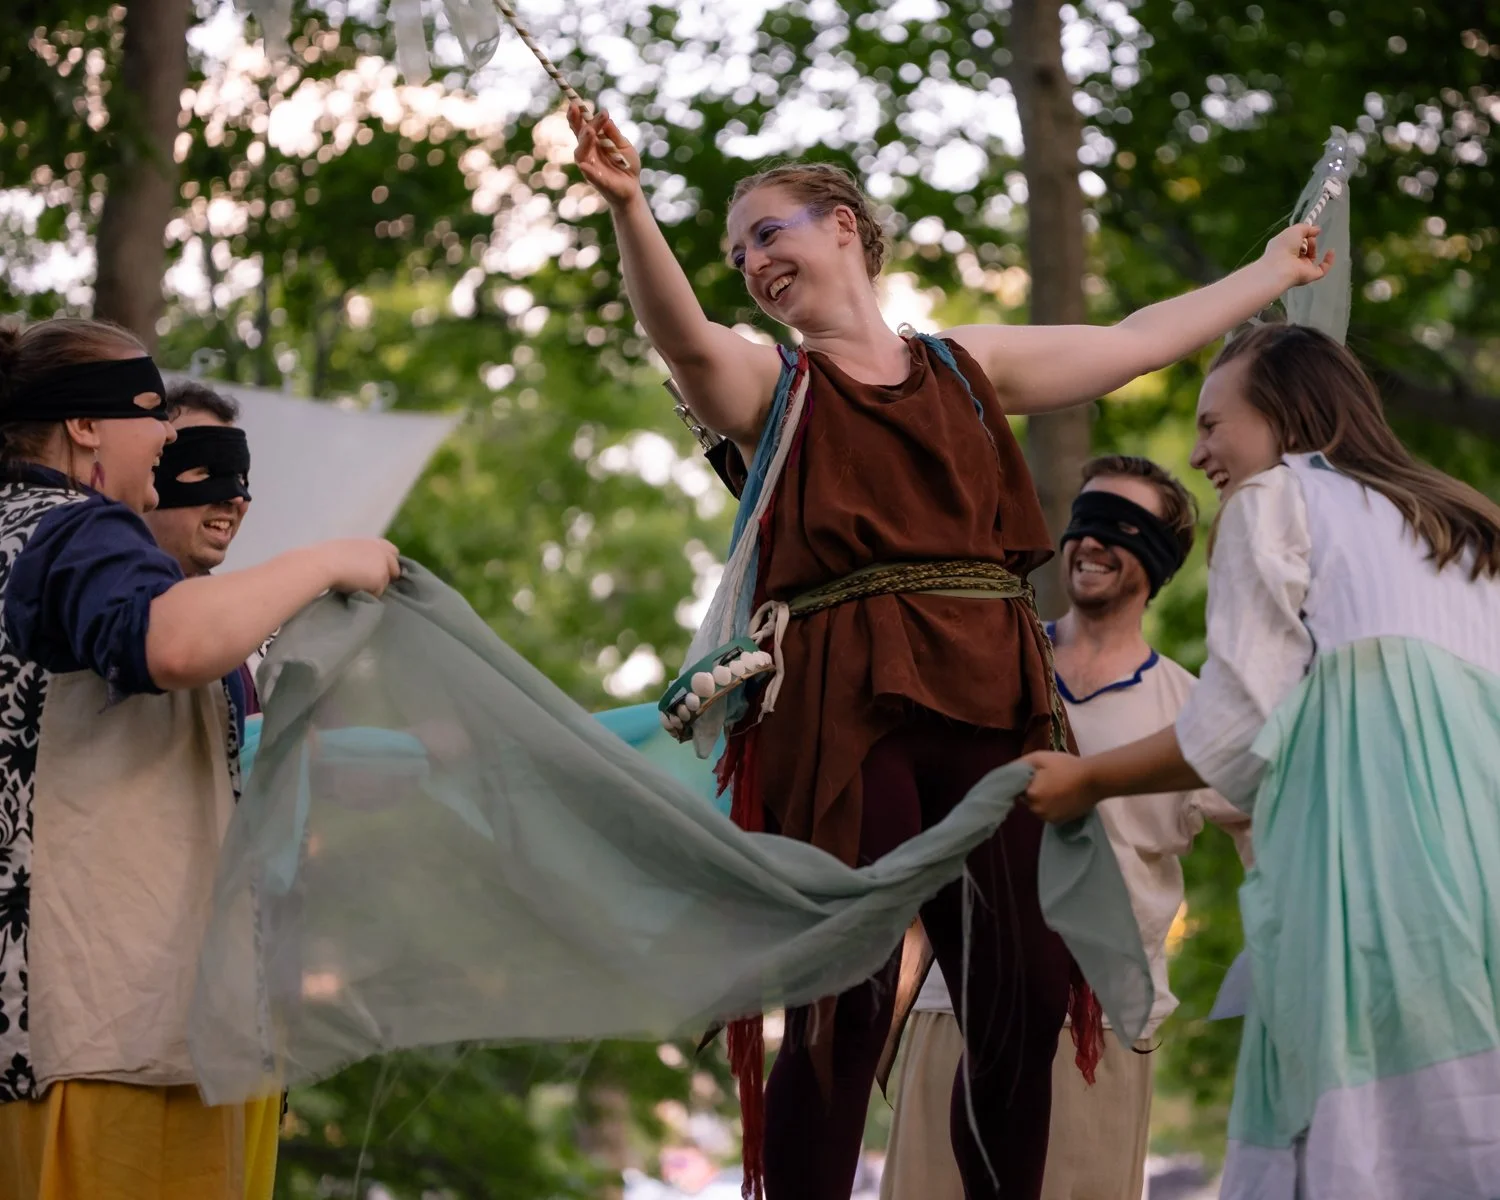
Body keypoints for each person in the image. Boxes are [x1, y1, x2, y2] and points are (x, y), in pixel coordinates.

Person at [569, 100, 1331, 1200]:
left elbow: (1128, 345)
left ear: (842, 227)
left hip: (993, 696)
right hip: (846, 712)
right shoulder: (773, 390)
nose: (751, 263)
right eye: (736, 255)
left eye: (770, 232)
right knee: (849, 996)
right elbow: (684, 340)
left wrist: (1268, 274)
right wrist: (630, 209)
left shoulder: (966, 366)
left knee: (1021, 988)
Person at [1022, 324, 1500, 1200]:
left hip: (1367, 890)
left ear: (1279, 413)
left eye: (1214, 424)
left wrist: (1086, 778)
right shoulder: (1465, 529)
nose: (1201, 451)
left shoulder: (1276, 502)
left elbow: (1233, 731)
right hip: (1485, 893)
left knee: (1353, 1147)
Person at [0, 316, 400, 1200]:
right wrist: (332, 556)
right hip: (111, 1037)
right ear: (86, 427)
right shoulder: (76, 531)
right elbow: (165, 643)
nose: (170, 439)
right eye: (155, 414)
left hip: (60, 1034)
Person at [882, 456, 1251, 1200]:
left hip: (1097, 1027)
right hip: (955, 1004)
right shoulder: (988, 667)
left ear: (1158, 556)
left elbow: (1273, 836)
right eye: (1084, 522)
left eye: (1120, 528)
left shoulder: (1196, 714)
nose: (1090, 543)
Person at [145, 379, 260, 710]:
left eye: (241, 478)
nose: (236, 498)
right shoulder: (105, 598)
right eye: (204, 471)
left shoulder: (236, 622)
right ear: (149, 472)